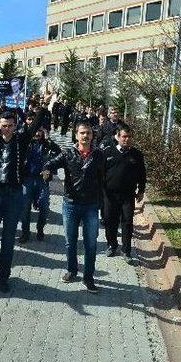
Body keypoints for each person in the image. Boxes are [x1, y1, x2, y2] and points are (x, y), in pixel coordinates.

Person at [0, 100, 47, 293]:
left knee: (8, 239)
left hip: (14, 194)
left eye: (10, 126)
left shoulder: (21, 139)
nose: (7, 129)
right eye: (3, 126)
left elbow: (35, 124)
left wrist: (43, 106)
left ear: (15, 126)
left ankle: (3, 276)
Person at [42, 122, 105, 293]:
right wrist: (47, 171)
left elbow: (103, 178)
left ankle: (88, 277)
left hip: (91, 206)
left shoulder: (99, 155)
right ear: (76, 135)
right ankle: (72, 270)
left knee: (91, 244)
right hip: (70, 204)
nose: (86, 136)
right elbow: (50, 164)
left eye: (89, 133)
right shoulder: (68, 153)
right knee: (70, 242)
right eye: (82, 133)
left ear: (92, 135)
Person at [101, 124, 146, 261]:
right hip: (109, 195)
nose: (127, 139)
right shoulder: (107, 153)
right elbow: (100, 173)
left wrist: (141, 189)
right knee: (110, 221)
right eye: (124, 136)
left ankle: (126, 250)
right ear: (118, 137)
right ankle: (112, 245)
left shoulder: (136, 155)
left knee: (127, 221)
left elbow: (142, 174)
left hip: (128, 195)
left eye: (129, 136)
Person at [18, 117, 61, 243]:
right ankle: (25, 233)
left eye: (40, 131)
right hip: (27, 180)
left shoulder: (47, 145)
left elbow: (59, 152)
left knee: (44, 207)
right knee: (25, 208)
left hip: (42, 181)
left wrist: (49, 140)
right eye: (35, 131)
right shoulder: (25, 143)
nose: (37, 133)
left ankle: (40, 228)